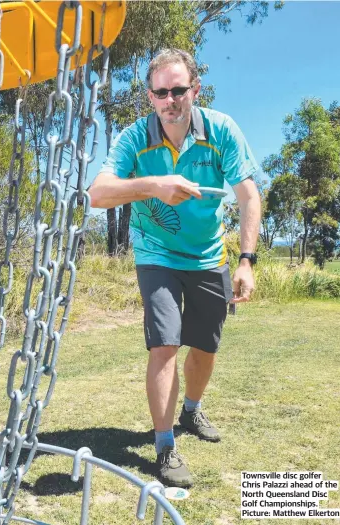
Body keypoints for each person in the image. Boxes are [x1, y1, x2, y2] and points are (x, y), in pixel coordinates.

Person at [89, 48, 261, 488]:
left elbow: (248, 197)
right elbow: (97, 193)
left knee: (205, 346)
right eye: (161, 92)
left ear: (194, 90)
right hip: (155, 253)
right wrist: (153, 185)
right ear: (150, 97)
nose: (170, 100)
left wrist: (246, 261)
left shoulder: (221, 130)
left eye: (178, 90)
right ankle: (165, 446)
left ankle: (191, 409)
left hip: (208, 256)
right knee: (164, 344)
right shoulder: (134, 138)